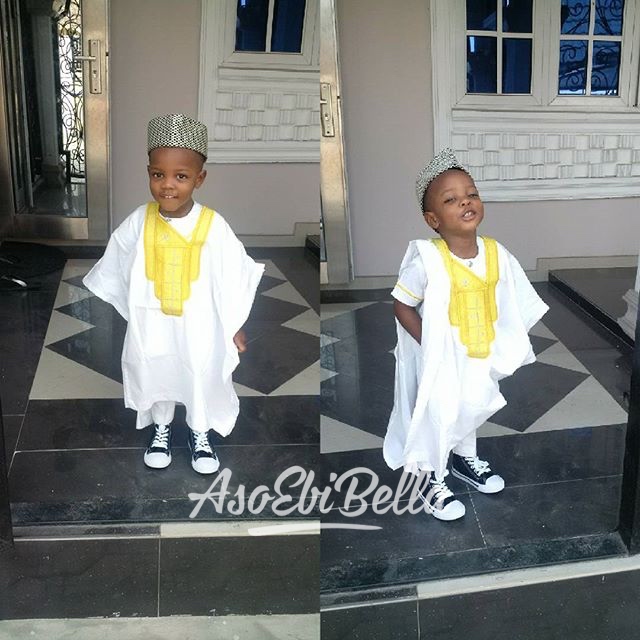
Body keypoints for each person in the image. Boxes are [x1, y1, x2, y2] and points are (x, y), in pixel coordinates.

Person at [83, 114, 264, 474]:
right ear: (148, 173)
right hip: (152, 324)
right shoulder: (139, 220)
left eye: (180, 176)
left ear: (199, 179)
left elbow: (234, 276)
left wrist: (234, 325)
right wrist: (131, 306)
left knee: (199, 372)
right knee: (156, 371)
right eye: (158, 174)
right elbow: (117, 261)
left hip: (199, 326)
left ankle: (200, 433)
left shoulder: (213, 225)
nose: (167, 185)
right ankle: (161, 429)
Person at [383, 148, 548, 521]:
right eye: (451, 199)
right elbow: (402, 305)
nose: (465, 202)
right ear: (433, 219)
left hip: (479, 353)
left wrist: (505, 339)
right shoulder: (426, 259)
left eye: (471, 194)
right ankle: (433, 478)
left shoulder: (495, 252)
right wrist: (432, 345)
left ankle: (464, 460)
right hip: (441, 359)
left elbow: (514, 297)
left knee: (470, 407)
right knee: (441, 413)